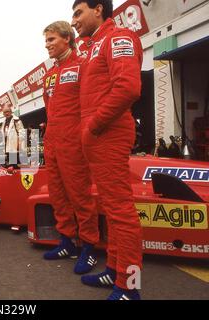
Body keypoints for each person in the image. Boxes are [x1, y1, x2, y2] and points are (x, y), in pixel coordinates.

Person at [72, 0, 143, 300]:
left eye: (78, 13)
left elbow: (127, 87)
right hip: (98, 137)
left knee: (121, 212)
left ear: (98, 8)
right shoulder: (93, 47)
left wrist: (95, 126)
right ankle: (114, 270)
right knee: (112, 211)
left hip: (108, 134)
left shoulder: (119, 37)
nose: (74, 21)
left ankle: (130, 286)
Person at [41, 21, 99, 275]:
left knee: (80, 194)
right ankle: (66, 240)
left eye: (51, 40)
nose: (47, 45)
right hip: (52, 139)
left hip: (74, 140)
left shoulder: (83, 64)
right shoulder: (48, 74)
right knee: (58, 193)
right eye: (46, 41)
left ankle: (89, 247)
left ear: (67, 38)